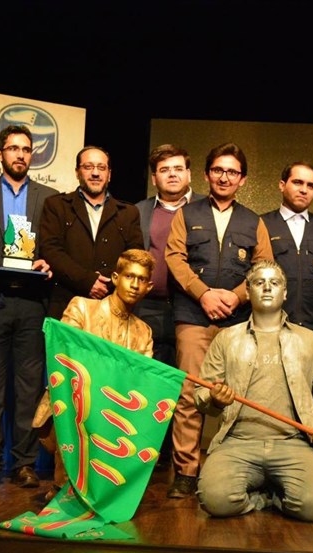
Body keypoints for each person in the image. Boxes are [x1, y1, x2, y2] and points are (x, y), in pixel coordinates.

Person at [195, 260, 313, 522]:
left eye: (274, 283)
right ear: (248, 291)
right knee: (215, 500)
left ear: (285, 293)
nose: (267, 288)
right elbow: (201, 393)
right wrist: (215, 399)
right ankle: (262, 498)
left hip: (294, 444)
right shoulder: (226, 339)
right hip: (237, 443)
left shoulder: (309, 340)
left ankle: (277, 495)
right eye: (259, 282)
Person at [164, 142, 273, 498]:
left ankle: (234, 471)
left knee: (239, 396)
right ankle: (186, 472)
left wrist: (237, 296)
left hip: (238, 320)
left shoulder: (253, 221)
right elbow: (174, 258)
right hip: (193, 317)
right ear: (208, 174)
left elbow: (264, 267)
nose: (225, 177)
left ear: (243, 179)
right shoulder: (187, 214)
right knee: (189, 395)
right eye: (218, 170)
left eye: (232, 172)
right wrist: (203, 294)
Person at [0, 125, 59, 490]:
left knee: (29, 389)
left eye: (26, 149)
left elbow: (54, 244)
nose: (20, 154)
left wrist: (47, 259)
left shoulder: (49, 197)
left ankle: (24, 464)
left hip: (32, 302)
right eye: (13, 148)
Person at [33, 249, 155, 501]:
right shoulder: (81, 307)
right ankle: (66, 488)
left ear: (148, 287)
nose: (134, 285)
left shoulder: (144, 332)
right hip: (76, 401)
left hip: (116, 412)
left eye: (142, 279)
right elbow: (64, 358)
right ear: (115, 278)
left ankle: (104, 490)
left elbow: (141, 382)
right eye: (129, 276)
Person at [134, 145, 204, 466]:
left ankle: (183, 458)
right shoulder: (139, 211)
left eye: (178, 168)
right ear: (154, 178)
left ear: (189, 174)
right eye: (164, 170)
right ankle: (150, 456)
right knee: (149, 384)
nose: (172, 175)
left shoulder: (204, 209)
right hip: (148, 308)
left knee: (186, 388)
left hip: (193, 309)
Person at [39, 145, 143, 320]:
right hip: (66, 305)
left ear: (109, 174)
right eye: (88, 167)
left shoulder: (128, 212)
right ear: (77, 172)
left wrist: (107, 280)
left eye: (101, 167)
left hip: (113, 305)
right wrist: (87, 281)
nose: (95, 173)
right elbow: (51, 250)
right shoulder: (57, 205)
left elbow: (135, 256)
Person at [260, 162, 313, 352]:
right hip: (271, 327)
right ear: (282, 185)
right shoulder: (261, 224)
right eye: (298, 182)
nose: (304, 190)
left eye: (311, 185)